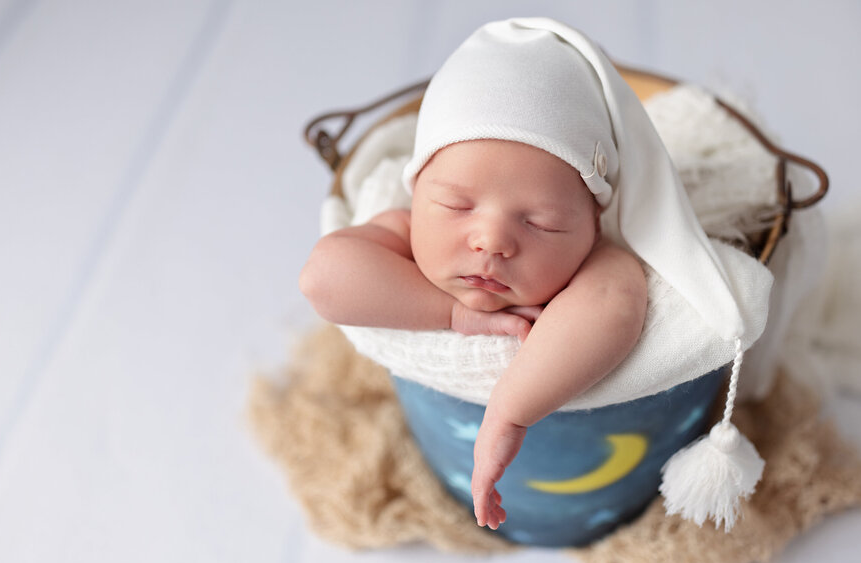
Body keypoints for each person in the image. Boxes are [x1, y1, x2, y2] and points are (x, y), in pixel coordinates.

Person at [301, 17, 755, 532]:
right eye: (455, 204)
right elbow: (323, 278)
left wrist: (507, 414)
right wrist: (452, 313)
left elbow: (613, 307)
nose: (491, 240)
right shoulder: (401, 231)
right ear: (416, 188)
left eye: (541, 222)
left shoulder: (600, 263)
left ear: (593, 222)